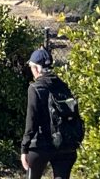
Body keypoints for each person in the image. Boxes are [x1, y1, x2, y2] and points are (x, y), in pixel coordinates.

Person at [20, 47, 80, 179]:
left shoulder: (35, 88)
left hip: (40, 145)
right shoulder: (63, 86)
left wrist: (24, 149)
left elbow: (31, 122)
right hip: (65, 144)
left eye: (31, 68)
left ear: (36, 68)